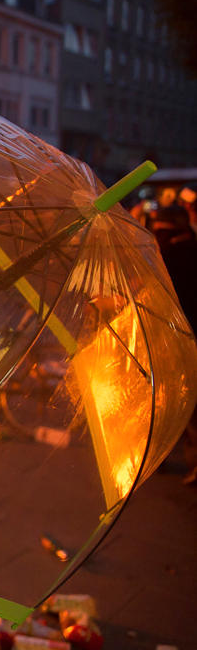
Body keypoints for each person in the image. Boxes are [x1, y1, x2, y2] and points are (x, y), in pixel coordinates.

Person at [149, 204, 197, 485]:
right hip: (183, 335)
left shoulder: (169, 256)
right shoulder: (186, 248)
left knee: (170, 400)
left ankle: (160, 457)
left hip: (175, 338)